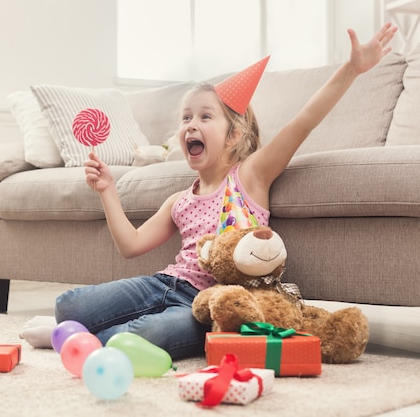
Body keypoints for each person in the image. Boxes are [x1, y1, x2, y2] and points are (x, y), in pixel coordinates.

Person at [54, 23, 398, 360]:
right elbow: (131, 246)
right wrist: (107, 190)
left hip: (207, 306)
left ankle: (89, 339)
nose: (191, 124)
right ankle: (87, 333)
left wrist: (352, 70)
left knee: (138, 336)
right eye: (186, 117)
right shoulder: (179, 200)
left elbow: (303, 122)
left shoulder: (250, 176)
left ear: (234, 135)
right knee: (67, 304)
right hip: (164, 283)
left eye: (205, 117)